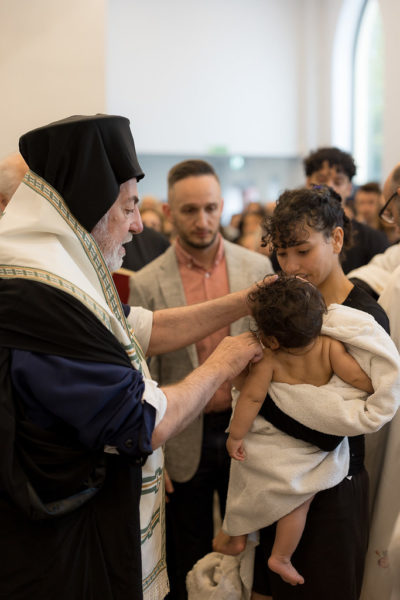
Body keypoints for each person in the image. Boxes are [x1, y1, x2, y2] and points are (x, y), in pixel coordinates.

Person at [0, 115, 266, 600]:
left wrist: (245, 302)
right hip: (61, 542)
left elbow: (142, 327)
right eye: (128, 207)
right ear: (89, 206)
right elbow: (141, 420)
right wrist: (224, 361)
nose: (140, 225)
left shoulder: (58, 267)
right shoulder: (38, 291)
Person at [129, 159, 273, 599]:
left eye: (210, 208)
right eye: (189, 210)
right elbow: (145, 374)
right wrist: (156, 456)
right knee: (186, 551)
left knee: (250, 546)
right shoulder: (148, 280)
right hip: (182, 433)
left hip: (247, 430)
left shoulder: (256, 268)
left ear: (222, 205)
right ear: (169, 212)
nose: (202, 220)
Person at [247, 185, 391, 600]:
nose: (290, 265)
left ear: (337, 239)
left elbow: (342, 418)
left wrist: (264, 402)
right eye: (281, 253)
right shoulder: (278, 304)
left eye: (303, 250)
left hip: (336, 484)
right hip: (276, 477)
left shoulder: (364, 316)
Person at [213, 274, 375, 587]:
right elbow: (357, 378)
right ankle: (281, 556)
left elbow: (252, 398)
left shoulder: (269, 358)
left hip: (279, 439)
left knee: (249, 477)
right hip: (309, 444)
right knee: (299, 497)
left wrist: (236, 435)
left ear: (271, 339)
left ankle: (240, 534)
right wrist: (377, 390)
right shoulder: (330, 347)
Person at [303, 147, 389, 274]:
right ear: (308, 183)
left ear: (349, 188)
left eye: (338, 182)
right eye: (321, 180)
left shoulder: (374, 240)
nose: (329, 186)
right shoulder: (292, 236)